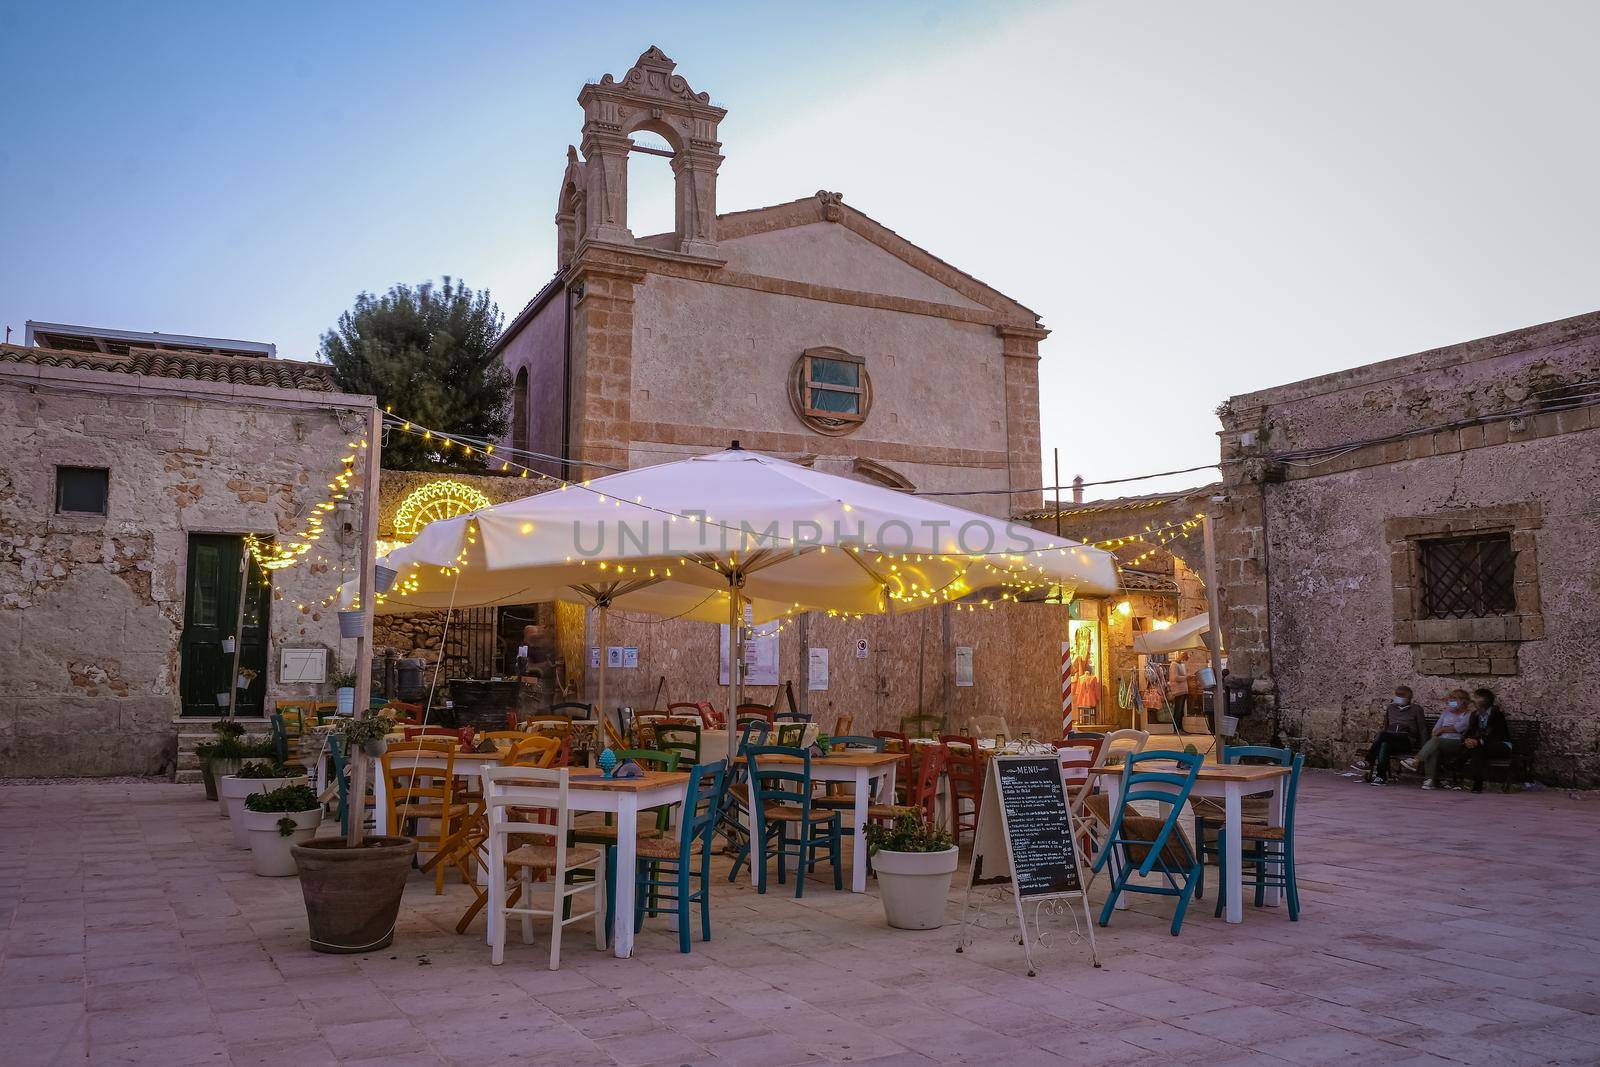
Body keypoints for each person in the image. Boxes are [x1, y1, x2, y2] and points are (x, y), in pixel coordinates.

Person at [1353, 686, 1427, 784]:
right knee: (1384, 744)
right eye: (1397, 695)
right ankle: (1381, 776)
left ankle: (1368, 761)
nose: (1398, 697)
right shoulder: (1391, 708)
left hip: (1406, 740)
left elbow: (1423, 729)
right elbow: (1386, 726)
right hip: (1391, 738)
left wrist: (1423, 750)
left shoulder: (1416, 709)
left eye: (1402, 696)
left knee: (1383, 735)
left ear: (1409, 698)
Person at [1401, 690, 1471, 789]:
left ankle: (1416, 761)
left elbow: (1460, 728)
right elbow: (1435, 731)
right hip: (1440, 742)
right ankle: (1429, 780)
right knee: (1434, 749)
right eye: (1450, 699)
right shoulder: (1446, 713)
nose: (1451, 701)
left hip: (1457, 743)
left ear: (1463, 701)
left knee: (1435, 741)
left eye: (1455, 699)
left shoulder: (1468, 715)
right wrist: (1444, 730)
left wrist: (1443, 729)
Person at [1460, 687, 1511, 793]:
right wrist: (1467, 740)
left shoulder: (1496, 714)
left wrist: (1478, 742)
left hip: (1501, 745)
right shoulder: (1475, 715)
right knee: (1478, 750)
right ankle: (1477, 784)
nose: (1473, 700)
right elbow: (1470, 731)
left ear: (1484, 700)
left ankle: (1457, 764)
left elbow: (1496, 735)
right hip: (1481, 747)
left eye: (1476, 697)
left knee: (1478, 748)